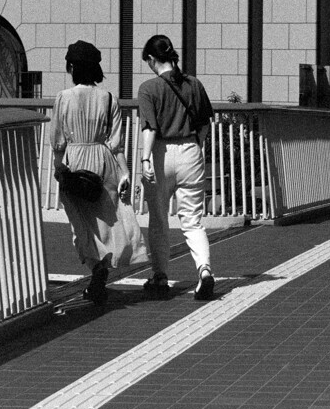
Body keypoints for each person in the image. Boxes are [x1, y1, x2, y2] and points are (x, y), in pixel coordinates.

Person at [51, 40, 145, 307]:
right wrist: (125, 173)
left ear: (72, 67)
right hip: (103, 163)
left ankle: (96, 270)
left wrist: (61, 170)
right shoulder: (108, 98)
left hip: (75, 162)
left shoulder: (63, 98)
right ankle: (102, 269)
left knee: (81, 226)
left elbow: (58, 142)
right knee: (105, 223)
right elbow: (116, 143)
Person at [137, 35, 216, 301]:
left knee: (158, 220)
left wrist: (145, 159)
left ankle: (160, 277)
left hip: (161, 153)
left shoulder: (148, 88)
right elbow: (204, 124)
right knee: (192, 221)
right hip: (191, 151)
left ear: (151, 60)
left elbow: (149, 127)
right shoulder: (194, 84)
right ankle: (204, 271)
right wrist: (196, 146)